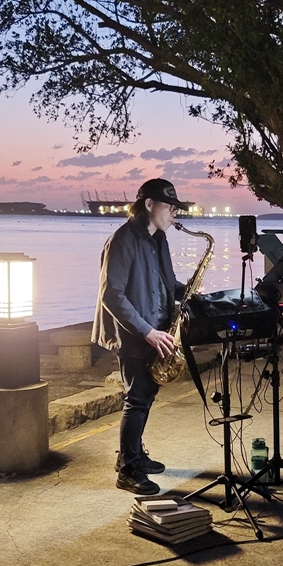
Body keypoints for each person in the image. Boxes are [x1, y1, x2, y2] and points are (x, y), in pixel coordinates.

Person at [93, 178, 190, 495]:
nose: (174, 213)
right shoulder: (122, 240)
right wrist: (148, 333)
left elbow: (167, 282)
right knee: (136, 400)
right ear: (149, 205)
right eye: (170, 206)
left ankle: (133, 454)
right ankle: (128, 470)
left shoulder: (159, 239)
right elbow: (112, 296)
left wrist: (187, 292)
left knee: (147, 397)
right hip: (134, 335)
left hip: (158, 330)